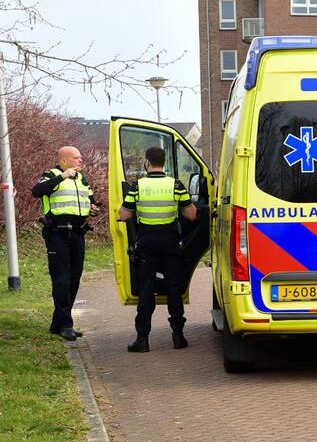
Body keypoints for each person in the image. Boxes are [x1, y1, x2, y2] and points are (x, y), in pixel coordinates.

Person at [118, 147, 197, 352]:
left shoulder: (138, 186)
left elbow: (124, 215)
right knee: (173, 289)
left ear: (147, 162)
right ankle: (178, 336)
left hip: (147, 243)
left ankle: (142, 339)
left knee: (146, 290)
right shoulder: (176, 185)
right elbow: (191, 214)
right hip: (170, 242)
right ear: (164, 162)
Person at [31, 146, 99, 341]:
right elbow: (37, 191)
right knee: (61, 279)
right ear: (64, 160)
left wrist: (93, 209)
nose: (81, 160)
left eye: (80, 158)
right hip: (58, 234)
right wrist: (62, 176)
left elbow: (91, 201)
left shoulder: (81, 178)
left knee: (74, 279)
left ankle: (58, 323)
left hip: (78, 233)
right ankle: (66, 325)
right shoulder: (51, 175)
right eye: (76, 158)